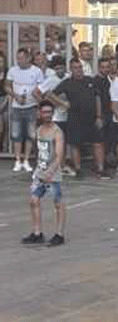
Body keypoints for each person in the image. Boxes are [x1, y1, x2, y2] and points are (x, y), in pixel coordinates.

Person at [47, 59, 103, 180]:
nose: (79, 70)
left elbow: (97, 98)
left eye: (80, 67)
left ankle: (100, 169)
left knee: (98, 143)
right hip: (75, 119)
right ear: (71, 69)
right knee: (75, 145)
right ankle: (78, 170)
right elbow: (50, 94)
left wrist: (99, 116)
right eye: (76, 68)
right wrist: (62, 103)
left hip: (92, 119)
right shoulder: (67, 83)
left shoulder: (90, 80)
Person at [21, 101, 66, 247]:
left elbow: (59, 155)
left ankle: (59, 234)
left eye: (49, 112)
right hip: (40, 171)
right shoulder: (39, 129)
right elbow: (38, 151)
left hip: (53, 173)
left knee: (58, 203)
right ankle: (37, 233)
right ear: (40, 113)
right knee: (34, 200)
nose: (47, 115)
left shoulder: (57, 132)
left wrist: (51, 171)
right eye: (44, 112)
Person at [5, 48, 44, 172]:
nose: (18, 61)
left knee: (30, 135)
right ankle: (17, 160)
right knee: (16, 135)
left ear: (28, 58)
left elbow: (40, 88)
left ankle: (26, 160)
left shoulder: (37, 71)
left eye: (21, 58)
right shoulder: (12, 70)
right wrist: (15, 95)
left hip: (31, 107)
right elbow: (6, 86)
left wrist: (38, 105)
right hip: (16, 106)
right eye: (17, 58)